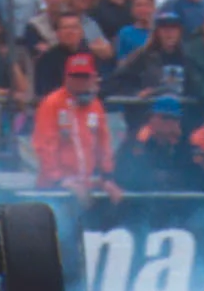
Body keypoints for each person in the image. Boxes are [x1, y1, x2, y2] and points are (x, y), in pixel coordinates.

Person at [31, 50, 117, 198]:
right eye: (75, 76)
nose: (80, 81)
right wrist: (59, 180)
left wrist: (107, 177)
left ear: (93, 78)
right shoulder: (52, 104)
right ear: (66, 77)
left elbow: (103, 144)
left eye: (84, 76)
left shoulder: (95, 105)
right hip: (55, 189)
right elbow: (44, 146)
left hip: (87, 187)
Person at [116, 94, 192, 192]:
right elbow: (126, 175)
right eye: (165, 118)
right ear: (152, 117)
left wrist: (168, 177)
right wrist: (155, 177)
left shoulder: (181, 142)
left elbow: (189, 175)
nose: (170, 123)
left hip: (174, 197)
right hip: (139, 199)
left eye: (174, 119)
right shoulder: (136, 140)